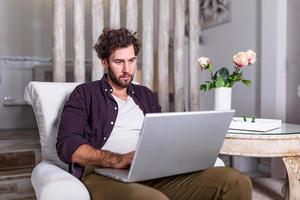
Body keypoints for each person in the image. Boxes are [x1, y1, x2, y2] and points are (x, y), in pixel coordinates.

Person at [57, 28, 252, 200]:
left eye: (132, 60)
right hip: (103, 174)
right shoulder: (85, 93)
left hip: (151, 171)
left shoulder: (145, 95)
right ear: (104, 62)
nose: (127, 69)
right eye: (119, 62)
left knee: (237, 181)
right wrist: (116, 159)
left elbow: (162, 136)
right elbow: (67, 145)